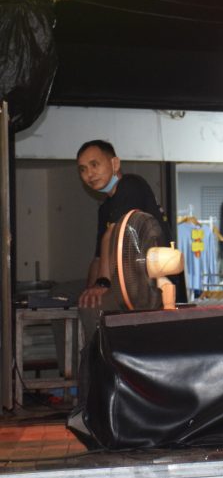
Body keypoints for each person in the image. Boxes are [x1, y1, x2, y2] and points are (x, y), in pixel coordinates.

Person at [76, 140, 169, 339]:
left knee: (92, 308)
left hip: (148, 287)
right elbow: (98, 258)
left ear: (115, 163)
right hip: (124, 284)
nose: (89, 174)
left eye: (94, 164)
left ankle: (103, 357)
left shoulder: (130, 185)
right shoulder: (105, 208)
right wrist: (89, 291)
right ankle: (83, 357)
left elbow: (112, 234)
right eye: (83, 169)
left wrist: (102, 284)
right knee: (71, 296)